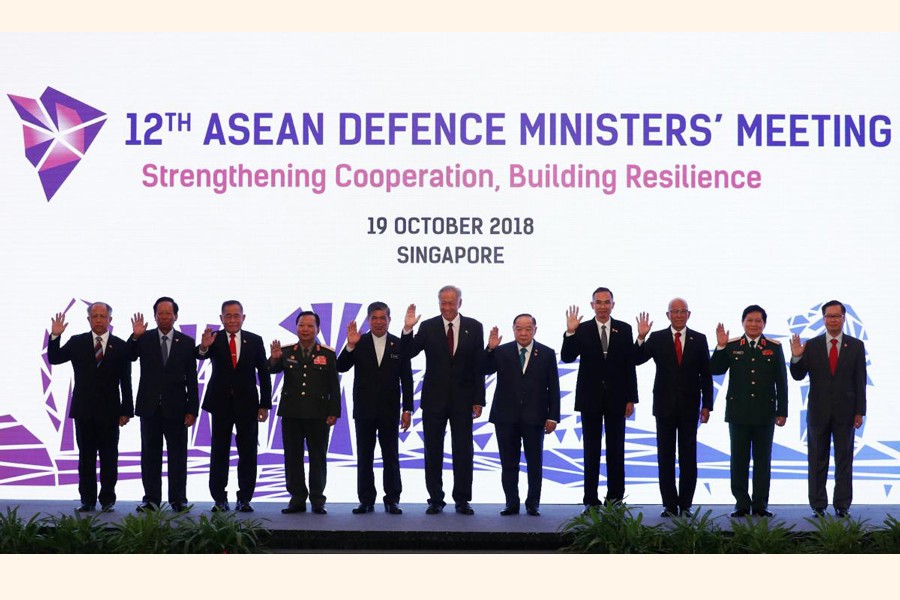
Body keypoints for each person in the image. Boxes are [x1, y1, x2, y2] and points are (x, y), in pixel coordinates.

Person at [401, 285, 485, 515]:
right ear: (439, 303)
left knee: (463, 451)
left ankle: (462, 499)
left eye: (451, 302)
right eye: (443, 302)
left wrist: (479, 399)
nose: (447, 307)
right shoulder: (427, 327)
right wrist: (408, 329)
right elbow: (407, 353)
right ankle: (435, 499)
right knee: (433, 450)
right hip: (433, 399)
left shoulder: (474, 327)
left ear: (460, 302)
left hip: (464, 399)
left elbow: (479, 366)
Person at [47, 302, 133, 512]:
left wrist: (126, 410)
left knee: (109, 456)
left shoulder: (120, 346)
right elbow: (55, 358)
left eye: (103, 316)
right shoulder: (77, 342)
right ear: (89, 320)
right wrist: (55, 337)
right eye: (94, 316)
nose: (99, 319)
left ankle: (107, 499)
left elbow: (126, 381)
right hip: (84, 410)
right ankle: (87, 499)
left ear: (110, 320)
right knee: (86, 457)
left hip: (111, 412)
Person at [634, 298, 713, 518]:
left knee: (689, 456)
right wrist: (641, 337)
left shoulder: (699, 339)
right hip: (664, 406)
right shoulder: (657, 337)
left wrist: (707, 405)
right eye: (674, 311)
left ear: (689, 314)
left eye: (682, 311)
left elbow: (706, 375)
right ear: (668, 315)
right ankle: (669, 505)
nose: (678, 315)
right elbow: (636, 359)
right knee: (665, 457)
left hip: (690, 407)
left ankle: (686, 505)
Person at [561, 287, 638, 509]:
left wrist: (631, 398)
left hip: (617, 399)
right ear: (592, 305)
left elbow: (628, 365)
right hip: (590, 399)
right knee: (591, 451)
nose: (603, 306)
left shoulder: (624, 329)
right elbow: (567, 357)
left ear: (613, 304)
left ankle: (615, 498)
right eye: (598, 302)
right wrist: (570, 332)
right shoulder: (581, 329)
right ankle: (590, 500)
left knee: (616, 450)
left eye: (607, 302)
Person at [789, 300, 866, 518]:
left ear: (844, 319)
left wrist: (860, 411)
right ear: (823, 319)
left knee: (844, 459)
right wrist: (796, 356)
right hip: (818, 412)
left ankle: (842, 505)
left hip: (847, 412)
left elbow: (860, 380)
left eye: (837, 316)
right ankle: (818, 505)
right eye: (829, 316)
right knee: (816, 459)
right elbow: (798, 375)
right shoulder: (811, 345)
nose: (833, 319)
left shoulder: (856, 345)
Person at [710, 304, 787, 518]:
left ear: (764, 324)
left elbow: (782, 381)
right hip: (739, 412)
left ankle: (760, 504)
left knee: (763, 460)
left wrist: (783, 411)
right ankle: (742, 503)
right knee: (739, 459)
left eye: (758, 321)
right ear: (743, 322)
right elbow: (715, 369)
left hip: (765, 412)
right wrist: (720, 346)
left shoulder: (774, 347)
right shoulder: (733, 345)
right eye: (749, 320)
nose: (754, 324)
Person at [336, 302, 413, 515]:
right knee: (365, 456)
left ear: (389, 320)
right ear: (369, 320)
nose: (379, 322)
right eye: (374, 318)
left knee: (391, 456)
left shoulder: (399, 345)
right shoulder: (358, 342)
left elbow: (407, 379)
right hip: (364, 410)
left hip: (390, 410)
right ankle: (366, 500)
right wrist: (350, 345)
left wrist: (407, 409)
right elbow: (340, 366)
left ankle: (392, 500)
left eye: (383, 318)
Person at [197, 300, 271, 513]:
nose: (232, 319)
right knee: (219, 452)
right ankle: (219, 499)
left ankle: (245, 498)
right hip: (220, 404)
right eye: (227, 316)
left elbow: (264, 374)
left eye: (236, 315)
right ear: (221, 318)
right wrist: (204, 346)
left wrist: (264, 404)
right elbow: (199, 354)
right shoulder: (214, 338)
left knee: (248, 452)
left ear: (243, 317)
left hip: (248, 405)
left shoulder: (255, 340)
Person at [485, 314, 560, 516]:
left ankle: (533, 503)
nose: (523, 332)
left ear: (535, 329)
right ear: (513, 329)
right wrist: (490, 348)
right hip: (505, 417)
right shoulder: (501, 351)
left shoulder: (546, 353)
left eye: (528, 328)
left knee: (535, 463)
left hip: (535, 417)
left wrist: (553, 416)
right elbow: (485, 369)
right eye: (519, 328)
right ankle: (512, 503)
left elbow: (553, 386)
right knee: (508, 464)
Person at [129, 297, 199, 513]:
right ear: (155, 316)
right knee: (150, 455)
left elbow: (192, 379)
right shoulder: (144, 338)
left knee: (178, 456)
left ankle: (178, 499)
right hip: (149, 407)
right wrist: (134, 337)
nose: (165, 316)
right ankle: (151, 500)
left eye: (169, 313)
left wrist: (192, 409)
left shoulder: (186, 343)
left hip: (177, 409)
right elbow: (129, 357)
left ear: (176, 316)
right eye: (160, 313)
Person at [270, 311, 341, 515]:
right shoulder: (285, 351)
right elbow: (271, 370)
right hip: (291, 413)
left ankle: (318, 499)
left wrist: (333, 411)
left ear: (317, 329)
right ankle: (297, 499)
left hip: (318, 414)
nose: (305, 329)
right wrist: (274, 360)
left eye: (310, 326)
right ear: (296, 327)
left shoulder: (327, 353)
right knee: (292, 458)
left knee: (318, 458)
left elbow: (333, 385)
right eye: (302, 325)